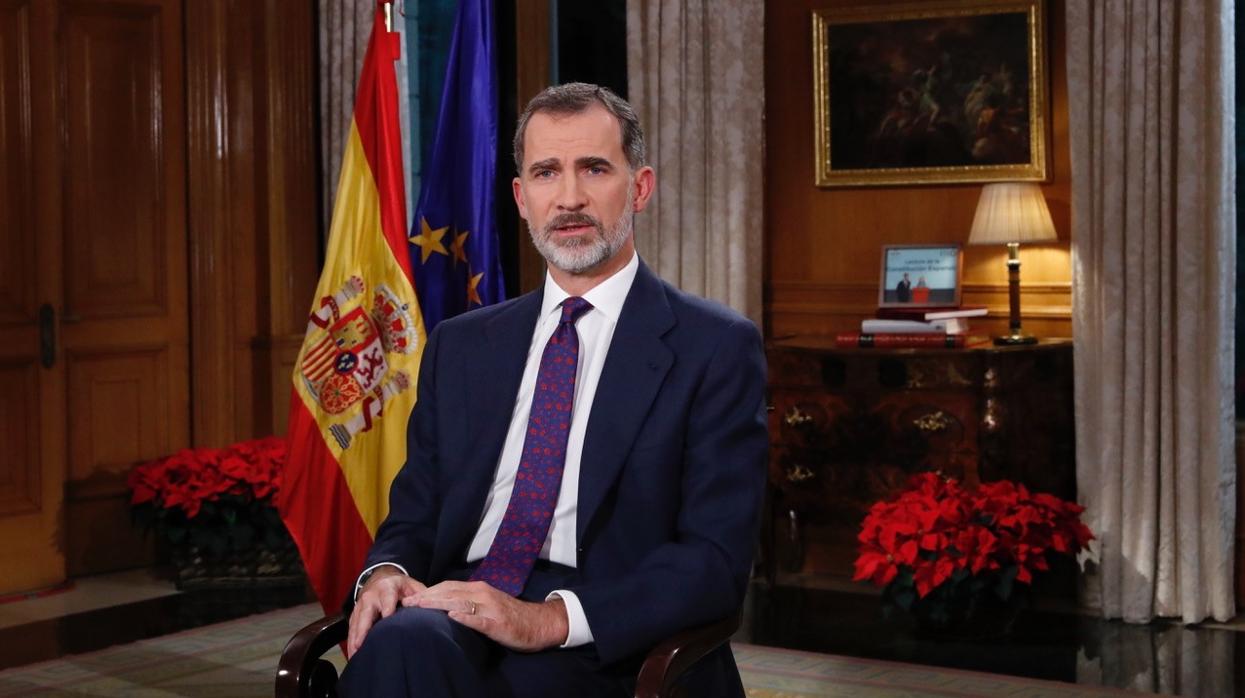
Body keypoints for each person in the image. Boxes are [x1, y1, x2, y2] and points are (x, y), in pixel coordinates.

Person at [338, 83, 768, 698]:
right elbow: (416, 513)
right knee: (405, 642)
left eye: (594, 168)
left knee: (416, 664)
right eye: (546, 173)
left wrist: (548, 619)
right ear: (521, 197)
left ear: (640, 188)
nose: (569, 198)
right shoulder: (462, 345)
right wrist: (386, 571)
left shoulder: (715, 347)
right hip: (461, 605)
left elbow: (714, 559)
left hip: (604, 636)